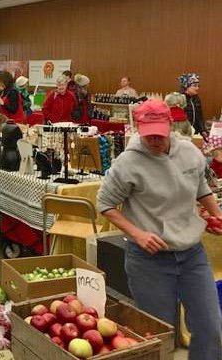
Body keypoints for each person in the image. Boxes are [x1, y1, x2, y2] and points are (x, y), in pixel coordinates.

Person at [97, 99, 222, 360]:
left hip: (192, 255)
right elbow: (105, 204)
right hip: (149, 261)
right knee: (160, 335)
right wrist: (137, 234)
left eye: (159, 132)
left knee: (211, 326)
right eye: (148, 133)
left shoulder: (190, 152)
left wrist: (217, 214)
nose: (154, 139)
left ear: (171, 124)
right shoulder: (127, 163)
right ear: (138, 128)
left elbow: (201, 188)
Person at [179, 73, 207, 138]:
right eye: (194, 86)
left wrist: (203, 130)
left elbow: (200, 116)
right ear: (186, 86)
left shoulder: (196, 98)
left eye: (198, 86)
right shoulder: (179, 98)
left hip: (195, 133)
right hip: (183, 134)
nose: (197, 88)